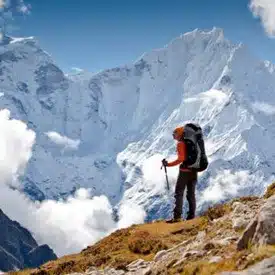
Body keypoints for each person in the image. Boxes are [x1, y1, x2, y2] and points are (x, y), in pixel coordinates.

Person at [162, 126, 198, 223]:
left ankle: (177, 217)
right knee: (191, 194)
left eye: (175, 135)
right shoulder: (192, 142)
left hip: (184, 172)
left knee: (179, 193)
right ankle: (191, 217)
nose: (174, 137)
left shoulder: (180, 144)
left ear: (180, 134)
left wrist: (168, 164)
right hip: (194, 171)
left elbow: (180, 159)